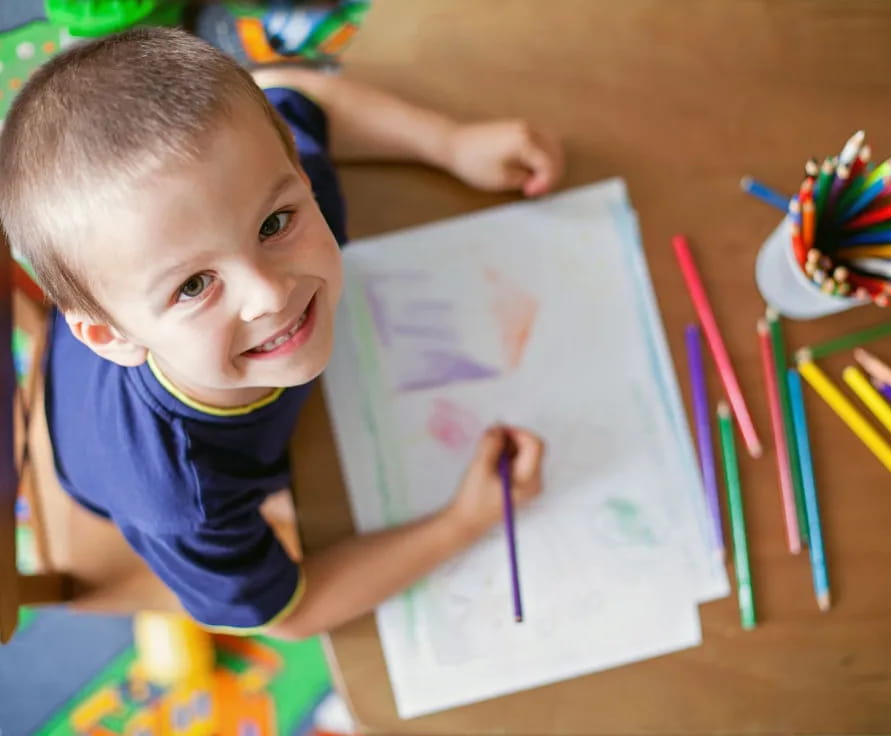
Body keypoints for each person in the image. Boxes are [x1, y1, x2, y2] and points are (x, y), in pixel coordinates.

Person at [0, 26, 564, 639]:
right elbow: (290, 615)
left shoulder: (253, 182)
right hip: (95, 447)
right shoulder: (181, 501)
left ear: (294, 167)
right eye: (194, 286)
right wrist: (463, 522)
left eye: (274, 224)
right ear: (113, 335)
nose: (270, 294)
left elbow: (294, 92)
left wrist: (450, 144)